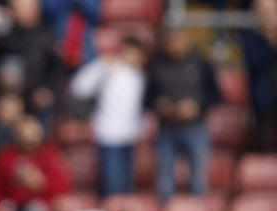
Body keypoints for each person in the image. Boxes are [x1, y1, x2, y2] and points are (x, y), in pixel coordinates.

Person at [147, 28, 220, 200]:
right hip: (167, 128)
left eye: (178, 40)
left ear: (186, 40)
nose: (175, 45)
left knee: (199, 179)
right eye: (171, 41)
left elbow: (215, 95)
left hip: (195, 127)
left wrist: (197, 107)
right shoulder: (157, 66)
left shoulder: (201, 64)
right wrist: (159, 105)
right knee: (165, 179)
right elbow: (147, 99)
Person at [70, 35, 147, 196]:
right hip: (108, 135)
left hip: (129, 137)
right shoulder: (109, 68)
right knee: (112, 185)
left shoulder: (140, 76)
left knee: (127, 186)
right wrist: (101, 66)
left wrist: (139, 129)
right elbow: (79, 87)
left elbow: (137, 108)